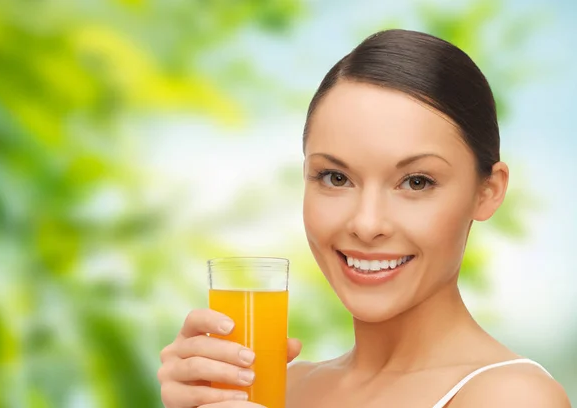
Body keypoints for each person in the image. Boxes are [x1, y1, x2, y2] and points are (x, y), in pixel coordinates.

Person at [157, 29, 571, 407]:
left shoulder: (510, 396)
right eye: (336, 177)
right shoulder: (280, 388)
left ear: (488, 192)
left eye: (416, 182)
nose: (367, 224)